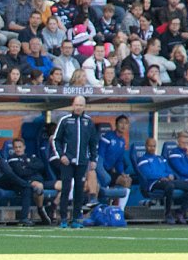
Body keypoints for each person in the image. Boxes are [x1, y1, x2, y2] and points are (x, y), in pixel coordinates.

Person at [53, 95, 97, 228]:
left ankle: (77, 218)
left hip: (82, 161)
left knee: (79, 190)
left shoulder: (88, 122)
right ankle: (63, 219)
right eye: (76, 105)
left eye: (81, 105)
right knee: (66, 189)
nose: (78, 108)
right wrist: (61, 155)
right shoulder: (65, 120)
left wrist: (93, 159)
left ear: (84, 107)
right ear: (73, 105)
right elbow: (56, 140)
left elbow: (93, 142)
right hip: (67, 162)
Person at [0, 139, 41, 226]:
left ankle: (23, 218)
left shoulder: (2, 159)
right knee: (11, 176)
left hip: (8, 181)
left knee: (26, 189)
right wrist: (1, 163)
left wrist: (0, 160)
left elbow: (9, 170)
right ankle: (27, 184)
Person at [136, 137, 188, 224]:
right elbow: (148, 174)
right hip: (153, 183)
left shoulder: (161, 158)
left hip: (167, 181)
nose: (152, 148)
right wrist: (161, 177)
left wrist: (170, 176)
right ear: (146, 146)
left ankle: (181, 212)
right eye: (150, 146)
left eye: (154, 146)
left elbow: (169, 171)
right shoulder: (142, 159)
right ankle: (168, 213)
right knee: (170, 186)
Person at [96, 115, 133, 209]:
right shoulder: (108, 136)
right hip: (100, 171)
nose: (123, 125)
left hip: (109, 171)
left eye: (126, 123)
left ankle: (120, 210)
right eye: (121, 123)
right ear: (116, 124)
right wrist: (102, 173)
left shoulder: (122, 141)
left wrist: (122, 173)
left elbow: (119, 160)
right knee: (104, 180)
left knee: (127, 180)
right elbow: (100, 155)